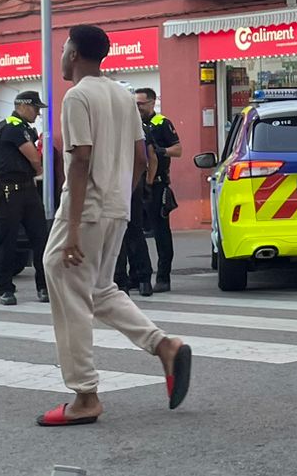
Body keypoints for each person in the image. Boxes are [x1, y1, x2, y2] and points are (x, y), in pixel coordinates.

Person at [38, 27, 191, 427]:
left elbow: (80, 160)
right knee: (99, 288)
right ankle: (164, 345)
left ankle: (84, 394)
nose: (62, 55)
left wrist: (71, 229)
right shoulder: (123, 96)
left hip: (85, 209)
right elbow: (142, 157)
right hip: (117, 208)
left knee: (62, 278)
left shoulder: (77, 96)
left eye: (63, 48)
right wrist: (124, 199)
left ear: (72, 53)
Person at [0, 89, 50, 306]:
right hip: (9, 192)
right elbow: (34, 157)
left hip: (27, 190)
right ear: (23, 106)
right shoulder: (13, 127)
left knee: (41, 239)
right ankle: (6, 289)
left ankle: (44, 287)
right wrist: (39, 167)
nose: (38, 113)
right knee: (7, 242)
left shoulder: (24, 127)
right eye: (35, 108)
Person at [135, 88, 181, 294]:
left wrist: (160, 150)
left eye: (141, 104)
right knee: (134, 232)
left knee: (161, 233)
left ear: (152, 103)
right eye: (136, 104)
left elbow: (178, 150)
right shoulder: (133, 125)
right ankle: (136, 276)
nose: (138, 107)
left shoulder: (162, 123)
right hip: (137, 185)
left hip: (158, 184)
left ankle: (163, 277)